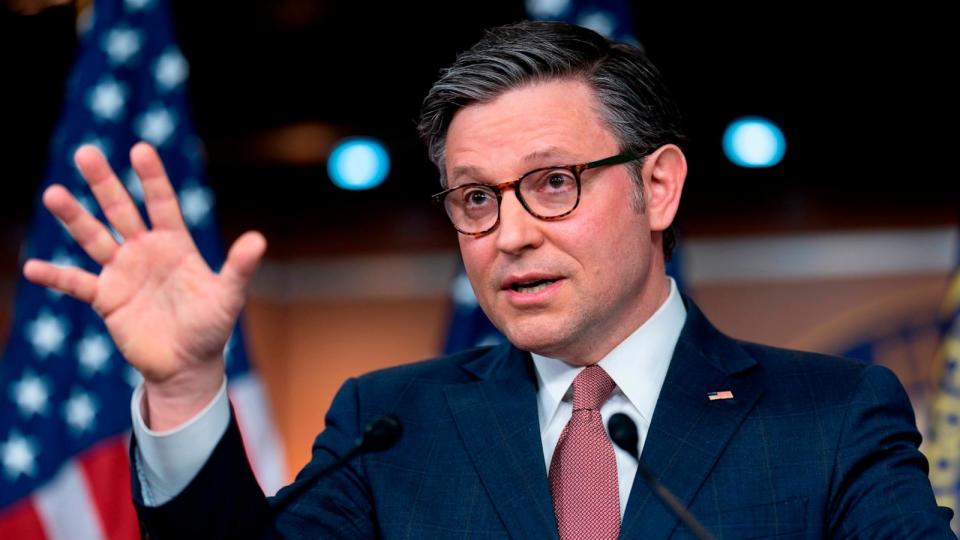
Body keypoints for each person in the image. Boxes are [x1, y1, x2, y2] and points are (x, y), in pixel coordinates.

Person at [23, 21, 953, 539]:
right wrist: (186, 385)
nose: (508, 234)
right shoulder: (390, 428)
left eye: (552, 185)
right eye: (474, 199)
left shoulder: (832, 414)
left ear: (657, 185)